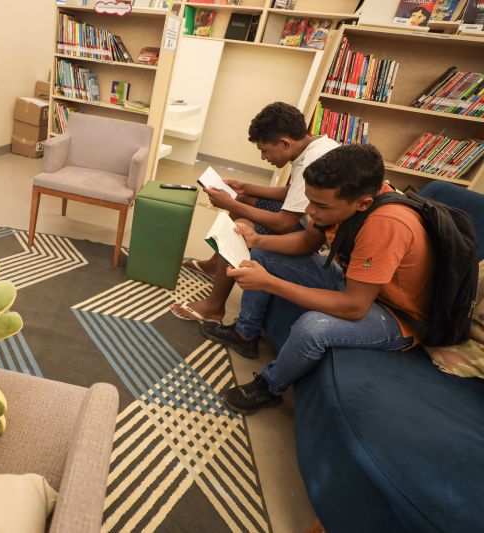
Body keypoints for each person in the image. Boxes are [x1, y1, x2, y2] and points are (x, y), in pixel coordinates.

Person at [203, 144, 434, 414]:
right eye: (310, 200)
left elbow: (354, 306)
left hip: (394, 315)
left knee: (312, 327)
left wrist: (269, 282)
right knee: (263, 254)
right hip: (355, 282)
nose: (310, 211)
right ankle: (245, 335)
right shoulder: (342, 198)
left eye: (320, 205)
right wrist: (257, 240)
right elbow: (307, 241)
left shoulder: (387, 224)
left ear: (363, 204)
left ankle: (269, 387)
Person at [171, 102, 338, 323]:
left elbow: (284, 224)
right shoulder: (317, 145)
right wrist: (245, 188)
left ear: (285, 143)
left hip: (309, 235)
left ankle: (214, 307)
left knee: (239, 228)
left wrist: (230, 204)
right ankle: (214, 265)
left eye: (264, 150)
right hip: (304, 220)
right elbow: (294, 193)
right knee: (243, 198)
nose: (263, 158)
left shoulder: (312, 160)